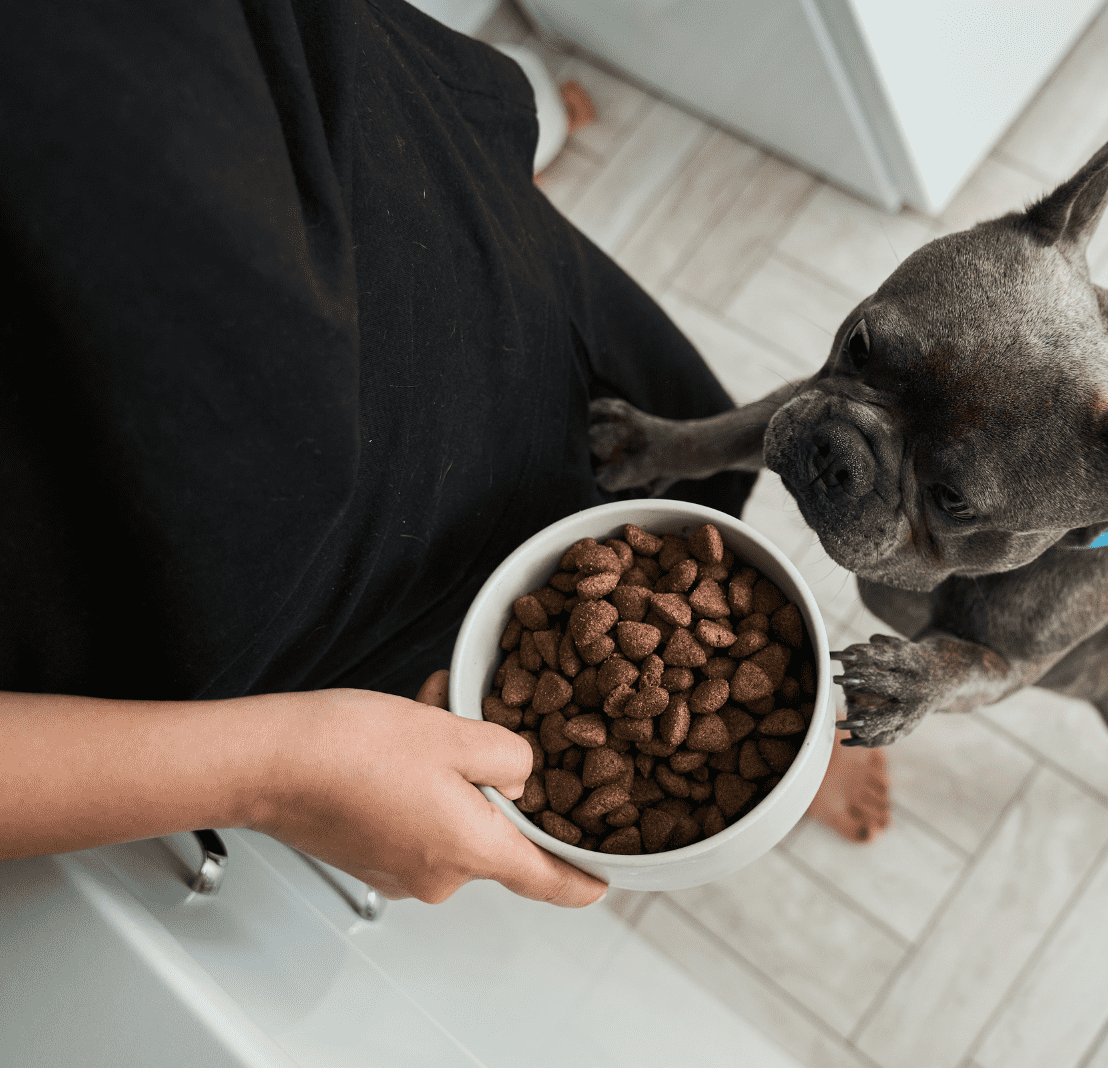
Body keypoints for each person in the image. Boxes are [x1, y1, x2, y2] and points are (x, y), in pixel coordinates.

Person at [0, 0, 765, 905]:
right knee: (469, 686)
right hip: (239, 584)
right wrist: (274, 771)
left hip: (372, 161)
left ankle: (771, 733)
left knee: (680, 454)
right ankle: (754, 741)